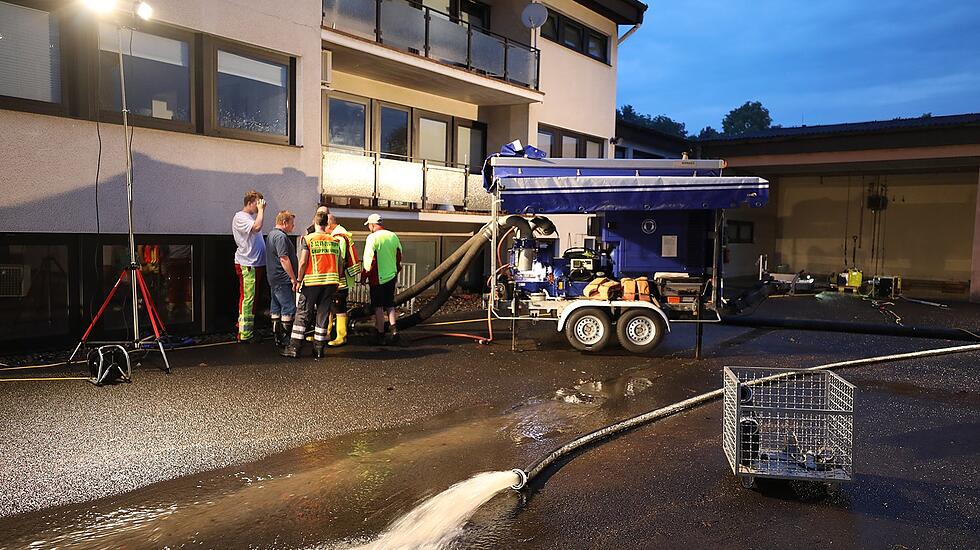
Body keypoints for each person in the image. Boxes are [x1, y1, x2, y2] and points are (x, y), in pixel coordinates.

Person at [282, 210, 352, 358]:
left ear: (314, 223)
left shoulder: (308, 239)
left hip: (312, 282)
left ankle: (294, 347)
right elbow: (340, 263)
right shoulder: (334, 241)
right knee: (323, 314)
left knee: (303, 313)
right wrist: (337, 279)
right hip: (331, 282)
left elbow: (302, 262)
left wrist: (299, 280)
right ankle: (319, 349)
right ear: (327, 224)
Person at [362, 213, 402, 344]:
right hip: (391, 276)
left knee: (378, 307)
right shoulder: (393, 236)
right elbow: (399, 255)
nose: (369, 227)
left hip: (377, 278)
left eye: (369, 225)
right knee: (390, 304)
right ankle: (394, 331)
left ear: (373, 225)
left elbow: (369, 260)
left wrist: (364, 276)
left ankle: (380, 334)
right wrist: (396, 271)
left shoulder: (372, 238)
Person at [232, 190, 267, 343]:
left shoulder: (248, 217)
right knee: (248, 298)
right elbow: (257, 227)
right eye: (258, 202)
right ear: (251, 202)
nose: (260, 205)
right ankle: (245, 334)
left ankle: (246, 329)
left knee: (251, 299)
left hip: (254, 264)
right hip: (248, 264)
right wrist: (261, 211)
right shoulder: (240, 217)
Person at [326, 213, 360, 347]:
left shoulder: (339, 237)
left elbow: (340, 259)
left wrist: (336, 278)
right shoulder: (341, 235)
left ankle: (341, 336)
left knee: (339, 307)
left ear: (329, 224)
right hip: (341, 278)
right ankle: (326, 333)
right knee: (330, 306)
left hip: (340, 280)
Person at [265, 210, 298, 348]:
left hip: (273, 278)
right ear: (284, 222)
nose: (293, 226)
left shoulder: (271, 235)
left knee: (276, 307)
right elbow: (284, 259)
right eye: (292, 223)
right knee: (288, 308)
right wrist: (293, 278)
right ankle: (285, 339)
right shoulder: (280, 237)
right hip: (283, 278)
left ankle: (276, 337)